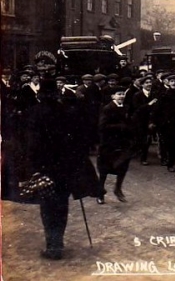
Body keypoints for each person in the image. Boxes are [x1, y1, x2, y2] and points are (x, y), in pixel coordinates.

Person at [20, 77, 101, 259]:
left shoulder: (34, 112)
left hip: (44, 168)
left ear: (40, 95)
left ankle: (52, 245)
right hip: (65, 168)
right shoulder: (68, 111)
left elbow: (31, 144)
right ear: (57, 94)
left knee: (47, 206)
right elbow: (79, 139)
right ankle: (59, 242)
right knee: (61, 205)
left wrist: (32, 167)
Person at [97, 85, 134, 204]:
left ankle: (118, 189)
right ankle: (100, 193)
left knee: (123, 167)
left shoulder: (127, 107)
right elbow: (102, 126)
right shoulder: (107, 108)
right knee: (104, 170)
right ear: (113, 96)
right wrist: (120, 126)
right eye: (119, 94)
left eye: (123, 94)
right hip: (109, 144)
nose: (122, 96)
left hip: (123, 144)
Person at [153, 74, 175, 172]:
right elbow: (157, 109)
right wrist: (156, 121)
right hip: (167, 123)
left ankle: (174, 158)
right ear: (168, 82)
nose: (174, 83)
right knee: (168, 143)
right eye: (172, 81)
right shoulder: (164, 93)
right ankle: (170, 163)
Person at [131, 75, 158, 166]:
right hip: (140, 120)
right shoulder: (137, 95)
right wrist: (149, 104)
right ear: (142, 85)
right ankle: (142, 156)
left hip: (151, 119)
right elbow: (137, 108)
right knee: (141, 139)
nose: (149, 84)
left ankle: (143, 156)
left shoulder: (154, 94)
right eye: (146, 83)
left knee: (148, 139)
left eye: (150, 82)